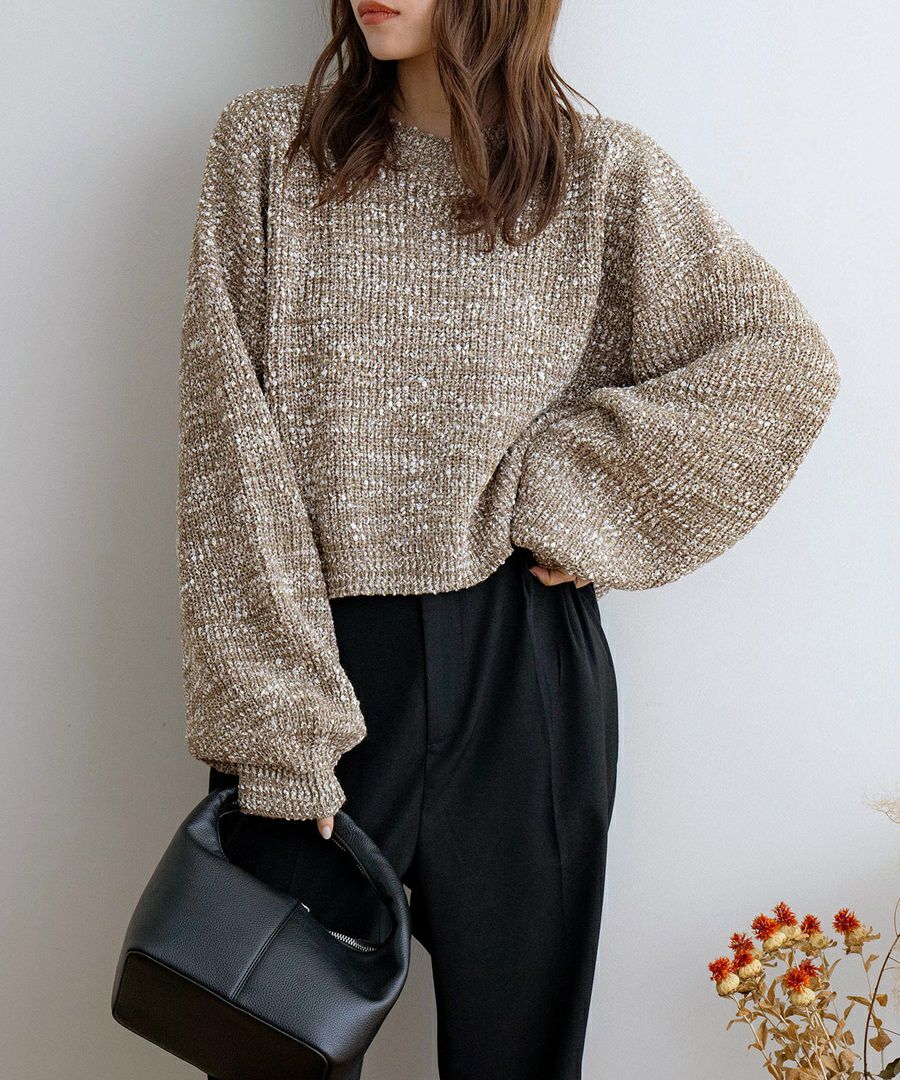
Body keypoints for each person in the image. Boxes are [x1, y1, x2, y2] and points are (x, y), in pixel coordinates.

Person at [177, 2, 841, 1077]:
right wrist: (275, 726)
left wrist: (579, 499)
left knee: (520, 1062)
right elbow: (227, 453)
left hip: (522, 663)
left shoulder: (601, 177)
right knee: (266, 1050)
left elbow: (780, 364)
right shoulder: (268, 152)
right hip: (315, 658)